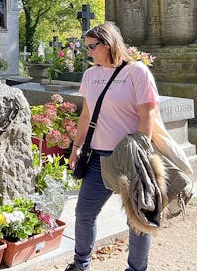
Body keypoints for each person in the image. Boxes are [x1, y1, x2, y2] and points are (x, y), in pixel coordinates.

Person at [65, 22, 159, 271]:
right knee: (84, 214)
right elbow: (86, 114)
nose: (89, 52)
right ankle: (81, 263)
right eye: (87, 47)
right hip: (97, 159)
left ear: (109, 44)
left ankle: (136, 268)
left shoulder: (137, 72)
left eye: (93, 46)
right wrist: (76, 147)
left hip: (129, 158)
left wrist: (140, 152)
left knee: (137, 219)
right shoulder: (90, 75)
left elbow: (147, 116)